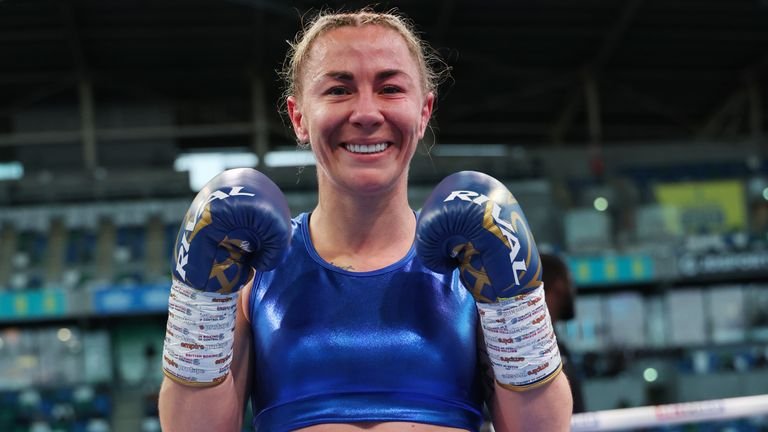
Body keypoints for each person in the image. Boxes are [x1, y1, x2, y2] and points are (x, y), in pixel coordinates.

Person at [158, 8, 573, 432]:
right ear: (299, 116)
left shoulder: (473, 265)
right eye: (339, 90)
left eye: (390, 88)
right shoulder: (253, 273)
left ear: (424, 111)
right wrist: (198, 304)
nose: (367, 113)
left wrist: (517, 306)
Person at [540, 252, 586, 413]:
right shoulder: (532, 347)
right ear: (559, 285)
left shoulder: (560, 346)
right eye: (569, 280)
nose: (572, 289)